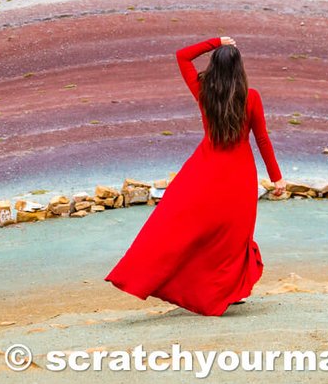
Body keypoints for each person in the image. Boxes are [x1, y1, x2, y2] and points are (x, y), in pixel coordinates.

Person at [105, 36, 285, 315]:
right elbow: (262, 139)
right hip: (239, 178)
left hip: (204, 172)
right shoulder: (251, 97)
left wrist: (216, 42)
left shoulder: (204, 91)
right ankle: (224, 293)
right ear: (239, 69)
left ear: (214, 66)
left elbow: (182, 56)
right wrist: (277, 178)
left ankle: (148, 276)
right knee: (232, 239)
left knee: (180, 229)